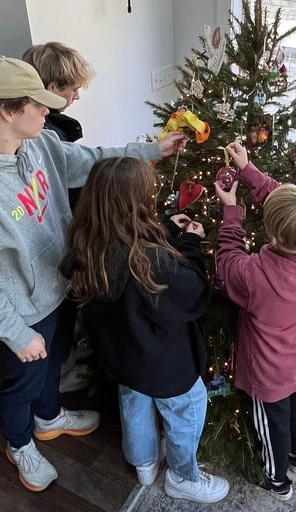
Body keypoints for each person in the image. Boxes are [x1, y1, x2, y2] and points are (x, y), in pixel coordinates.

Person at [0, 56, 186, 492]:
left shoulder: (38, 144)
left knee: (56, 359)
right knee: (22, 381)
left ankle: (49, 418)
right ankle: (20, 442)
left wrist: (150, 151)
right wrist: (15, 332)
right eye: (39, 104)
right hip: (21, 313)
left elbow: (91, 160)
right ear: (8, 111)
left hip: (59, 286)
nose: (50, 111)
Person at [62, 157, 229, 504]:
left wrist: (166, 227)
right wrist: (191, 244)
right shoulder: (149, 261)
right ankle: (183, 477)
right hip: (165, 364)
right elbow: (193, 293)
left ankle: (144, 464)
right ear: (136, 204)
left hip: (122, 357)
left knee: (134, 403)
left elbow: (125, 258)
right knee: (189, 407)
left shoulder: (85, 243)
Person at [213, 142, 296, 501]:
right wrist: (249, 169)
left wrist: (232, 212)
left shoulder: (256, 275)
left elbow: (227, 261)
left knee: (272, 424)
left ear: (272, 235)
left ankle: (277, 478)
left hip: (268, 373)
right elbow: (291, 207)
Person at [23, 41, 96, 393]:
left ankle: (52, 390)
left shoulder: (48, 133)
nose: (78, 96)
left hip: (56, 259)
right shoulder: (45, 141)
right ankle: (53, 389)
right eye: (74, 89)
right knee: (56, 330)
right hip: (54, 262)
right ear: (52, 90)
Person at [22, 41, 94, 145]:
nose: (77, 96)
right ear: (53, 88)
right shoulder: (47, 136)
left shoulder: (20, 125)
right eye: (74, 89)